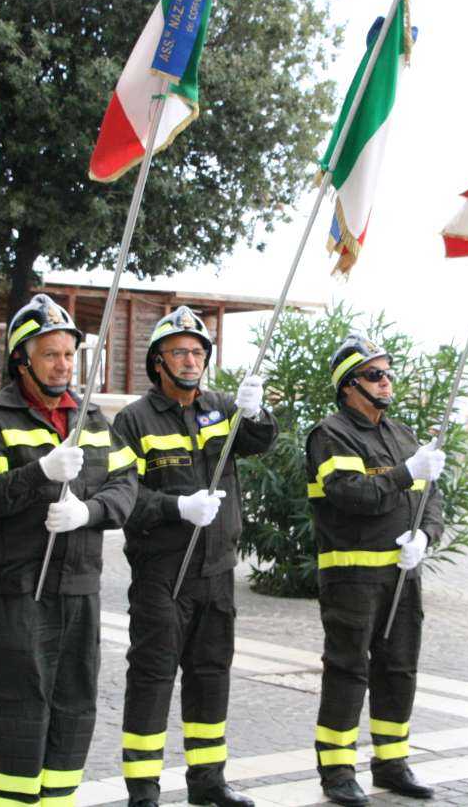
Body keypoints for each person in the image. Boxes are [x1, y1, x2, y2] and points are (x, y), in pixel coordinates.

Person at [0, 294, 138, 807]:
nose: (62, 365)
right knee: (21, 702)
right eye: (49, 355)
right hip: (19, 586)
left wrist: (91, 513)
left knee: (76, 702)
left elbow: (126, 485)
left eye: (67, 354)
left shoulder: (92, 419)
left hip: (80, 585)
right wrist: (39, 475)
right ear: (22, 360)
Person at [112, 306, 276, 807]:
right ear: (157, 361)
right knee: (153, 677)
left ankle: (208, 782)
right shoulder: (133, 420)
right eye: (179, 351)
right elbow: (122, 498)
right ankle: (143, 789)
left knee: (210, 676)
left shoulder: (220, 407)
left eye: (198, 351)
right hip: (162, 571)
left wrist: (254, 411)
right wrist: (176, 507)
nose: (190, 359)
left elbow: (258, 442)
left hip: (216, 569)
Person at [305, 334, 444, 806]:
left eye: (387, 373)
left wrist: (426, 536)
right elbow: (350, 493)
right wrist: (407, 472)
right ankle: (338, 769)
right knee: (347, 671)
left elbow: (431, 499)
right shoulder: (330, 434)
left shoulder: (400, 433)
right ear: (348, 386)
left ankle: (391, 762)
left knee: (399, 669)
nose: (385, 382)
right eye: (373, 374)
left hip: (402, 576)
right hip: (353, 577)